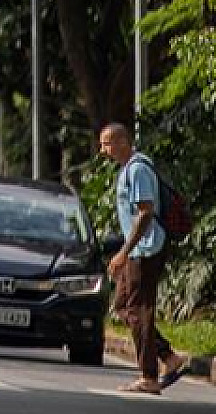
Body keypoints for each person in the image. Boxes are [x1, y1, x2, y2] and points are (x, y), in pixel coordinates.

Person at [99, 123, 189, 394]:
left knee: (139, 309)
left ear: (123, 142)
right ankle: (169, 358)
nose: (103, 150)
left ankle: (149, 376)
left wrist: (123, 252)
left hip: (147, 249)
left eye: (107, 143)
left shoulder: (137, 169)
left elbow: (146, 212)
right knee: (123, 306)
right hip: (138, 250)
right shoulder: (128, 169)